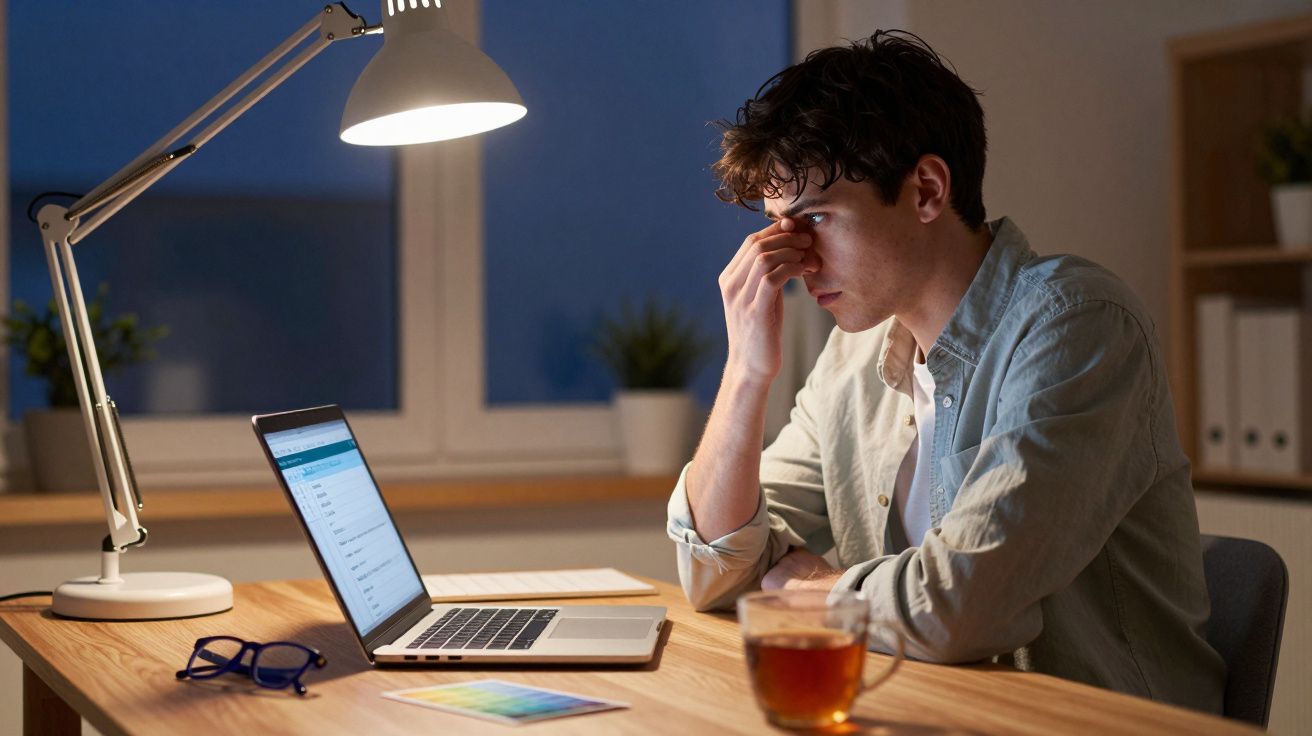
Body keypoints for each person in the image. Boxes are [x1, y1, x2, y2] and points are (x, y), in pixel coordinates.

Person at [665, 30, 1224, 712]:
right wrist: (747, 373)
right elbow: (716, 572)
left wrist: (807, 585)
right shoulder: (853, 357)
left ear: (927, 190)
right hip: (936, 715)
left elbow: (958, 607)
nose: (796, 259)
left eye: (814, 218)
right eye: (779, 226)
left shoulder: (1078, 324)